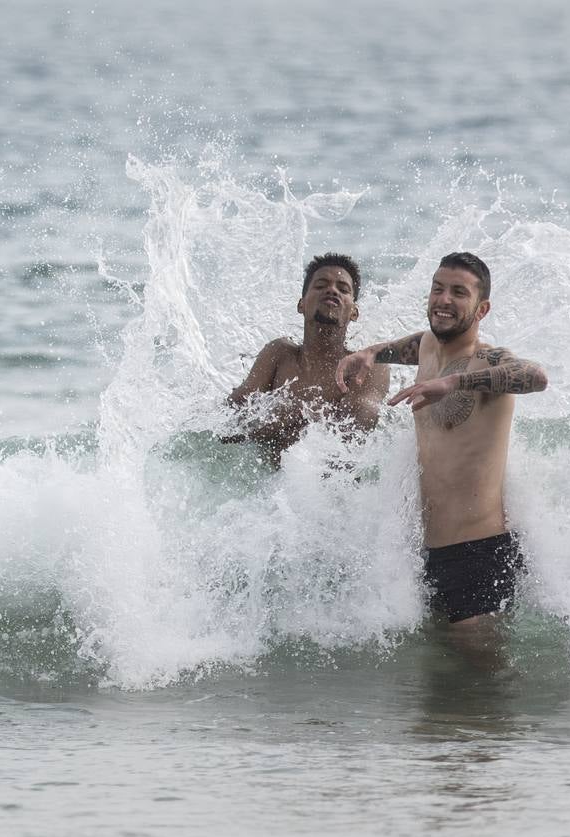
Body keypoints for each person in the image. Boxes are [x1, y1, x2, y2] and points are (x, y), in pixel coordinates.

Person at [336, 252, 547, 630]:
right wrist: (370, 354)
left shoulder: (489, 361)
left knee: (483, 680)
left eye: (458, 292)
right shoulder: (430, 348)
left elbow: (535, 377)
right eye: (437, 289)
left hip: (480, 553)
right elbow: (415, 343)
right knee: (444, 682)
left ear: (481, 309)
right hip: (431, 555)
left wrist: (454, 383)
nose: (443, 299)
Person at [226, 253, 389, 463]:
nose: (332, 290)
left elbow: (355, 433)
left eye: (343, 289)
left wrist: (287, 415)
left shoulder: (368, 366)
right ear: (301, 305)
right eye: (321, 285)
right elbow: (230, 421)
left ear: (354, 312)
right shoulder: (279, 354)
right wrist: (272, 418)